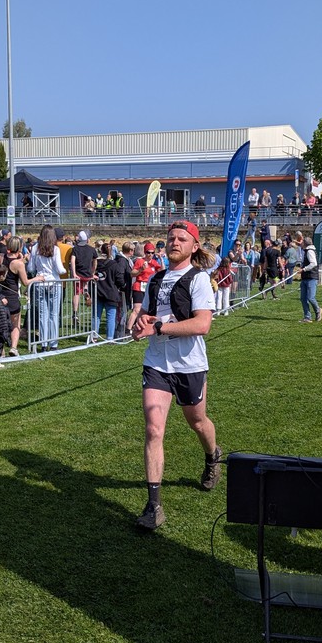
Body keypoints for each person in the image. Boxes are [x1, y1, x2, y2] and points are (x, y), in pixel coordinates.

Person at [132, 220, 221, 530]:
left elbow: (202, 325)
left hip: (189, 365)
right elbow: (145, 315)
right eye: (171, 238)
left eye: (182, 239)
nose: (174, 242)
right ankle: (153, 506)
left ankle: (212, 455)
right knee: (154, 429)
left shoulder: (199, 279)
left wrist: (159, 327)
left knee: (197, 421)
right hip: (157, 364)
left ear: (194, 247)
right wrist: (139, 324)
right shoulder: (155, 279)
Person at [28, 225, 65, 351]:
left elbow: (30, 268)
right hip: (54, 282)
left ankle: (43, 343)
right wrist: (66, 270)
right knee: (54, 314)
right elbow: (60, 269)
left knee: (42, 314)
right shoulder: (55, 249)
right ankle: (53, 344)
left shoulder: (35, 248)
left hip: (40, 282)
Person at [126, 242, 163, 332]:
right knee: (137, 309)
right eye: (148, 252)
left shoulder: (154, 262)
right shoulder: (140, 261)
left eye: (152, 253)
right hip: (139, 286)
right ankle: (128, 329)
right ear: (145, 252)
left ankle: (141, 327)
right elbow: (132, 273)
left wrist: (161, 259)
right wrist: (141, 269)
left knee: (148, 309)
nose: (150, 254)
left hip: (149, 288)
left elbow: (162, 271)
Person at [93, 243, 126, 341]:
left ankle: (94, 336)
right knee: (111, 316)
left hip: (98, 292)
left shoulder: (95, 264)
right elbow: (119, 279)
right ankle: (110, 338)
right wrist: (123, 285)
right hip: (111, 293)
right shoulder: (114, 264)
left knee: (96, 316)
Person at [70, 230, 98, 322]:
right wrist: (93, 272)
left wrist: (74, 273)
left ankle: (75, 313)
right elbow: (95, 262)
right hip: (88, 274)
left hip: (78, 274)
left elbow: (73, 261)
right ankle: (86, 293)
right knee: (85, 286)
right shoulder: (92, 249)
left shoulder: (75, 249)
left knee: (76, 293)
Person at [299, 236, 322, 323]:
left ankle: (318, 310)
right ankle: (307, 317)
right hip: (305, 277)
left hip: (311, 277)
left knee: (310, 297)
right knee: (303, 298)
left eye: (302, 242)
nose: (301, 243)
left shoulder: (310, 251)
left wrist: (304, 269)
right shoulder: (306, 251)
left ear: (305, 243)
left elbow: (313, 264)